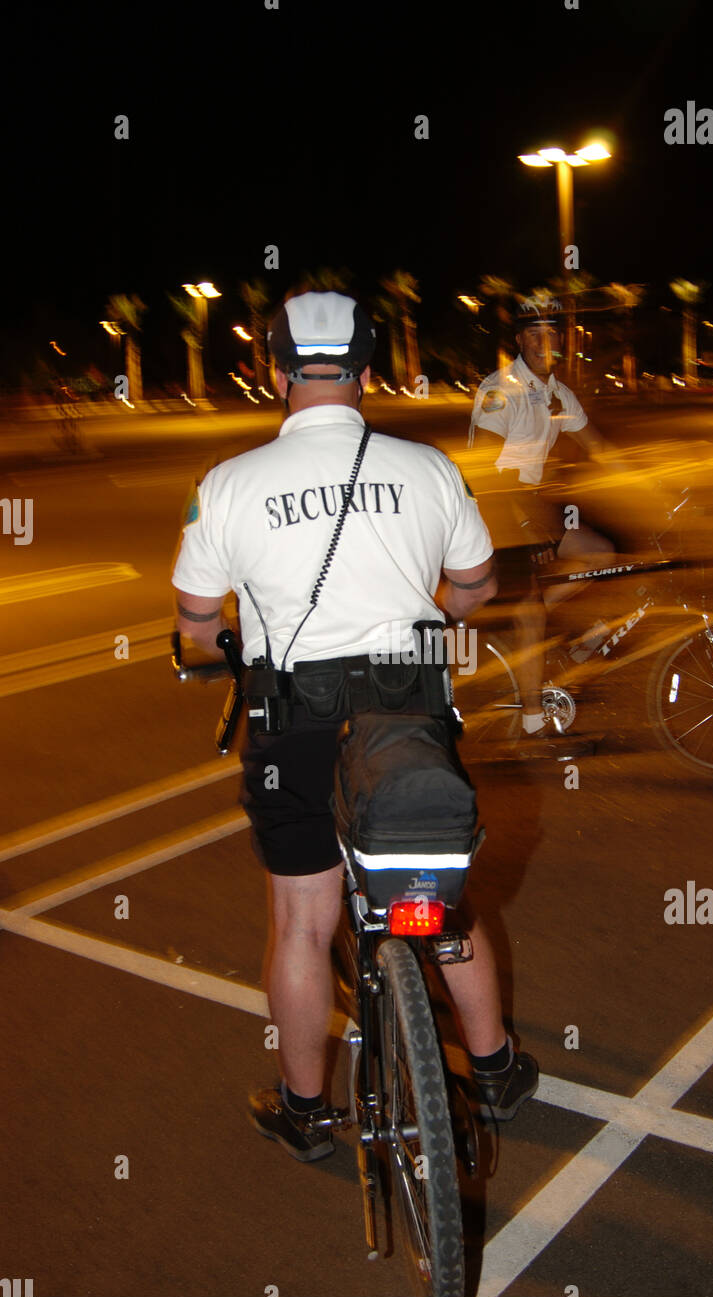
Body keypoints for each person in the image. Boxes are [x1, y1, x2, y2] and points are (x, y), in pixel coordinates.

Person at [171, 291, 538, 1161]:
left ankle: (307, 1112)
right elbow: (476, 586)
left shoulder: (227, 485)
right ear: (369, 372)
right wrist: (440, 611)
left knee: (302, 918)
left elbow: (193, 618)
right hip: (407, 707)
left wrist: (210, 646)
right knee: (433, 896)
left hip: (291, 720)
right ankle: (494, 1072)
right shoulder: (427, 468)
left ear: (277, 373)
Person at [468, 296, 617, 746]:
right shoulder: (501, 389)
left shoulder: (557, 392)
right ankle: (534, 716)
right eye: (533, 334)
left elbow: (599, 447)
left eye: (550, 333)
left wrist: (663, 489)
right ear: (519, 340)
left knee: (600, 555)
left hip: (532, 501)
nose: (543, 341)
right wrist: (526, 524)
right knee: (531, 612)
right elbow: (480, 464)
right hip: (495, 506)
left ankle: (537, 624)